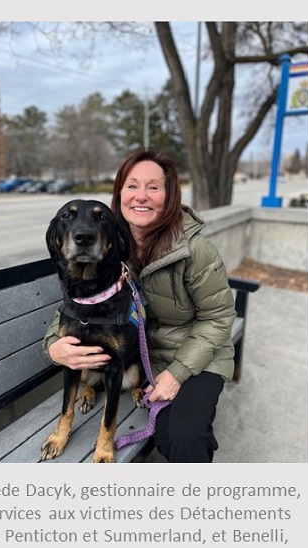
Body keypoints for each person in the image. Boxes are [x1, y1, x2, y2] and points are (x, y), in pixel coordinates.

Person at [42, 147, 236, 463]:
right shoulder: (113, 241)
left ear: (169, 196)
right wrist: (53, 345)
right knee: (164, 433)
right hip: (143, 358)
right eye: (132, 186)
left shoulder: (196, 250)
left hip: (197, 353)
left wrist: (178, 372)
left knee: (185, 438)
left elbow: (218, 318)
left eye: (153, 187)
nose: (141, 196)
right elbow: (80, 303)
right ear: (120, 195)